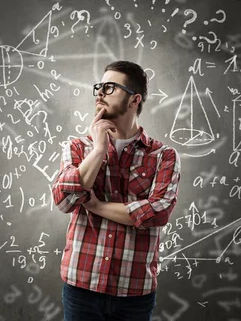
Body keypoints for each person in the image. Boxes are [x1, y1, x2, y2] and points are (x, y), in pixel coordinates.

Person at [52, 61, 181, 320]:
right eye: (99, 86)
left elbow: (157, 213)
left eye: (110, 87)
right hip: (81, 287)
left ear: (134, 100)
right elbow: (64, 201)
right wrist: (99, 149)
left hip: (134, 293)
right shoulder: (78, 147)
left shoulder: (163, 156)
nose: (100, 92)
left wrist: (96, 206)